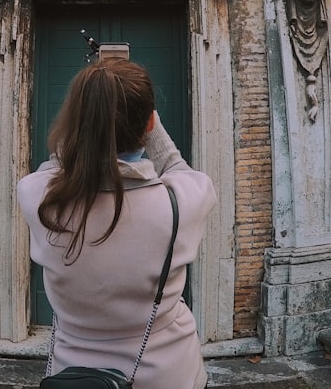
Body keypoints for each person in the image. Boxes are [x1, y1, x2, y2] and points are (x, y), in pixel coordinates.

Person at [18, 59, 216, 389]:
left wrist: (86, 124)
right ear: (149, 123)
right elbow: (176, 166)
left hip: (75, 376)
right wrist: (151, 124)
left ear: (78, 124)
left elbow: (53, 168)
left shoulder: (38, 198)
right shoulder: (184, 200)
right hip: (168, 375)